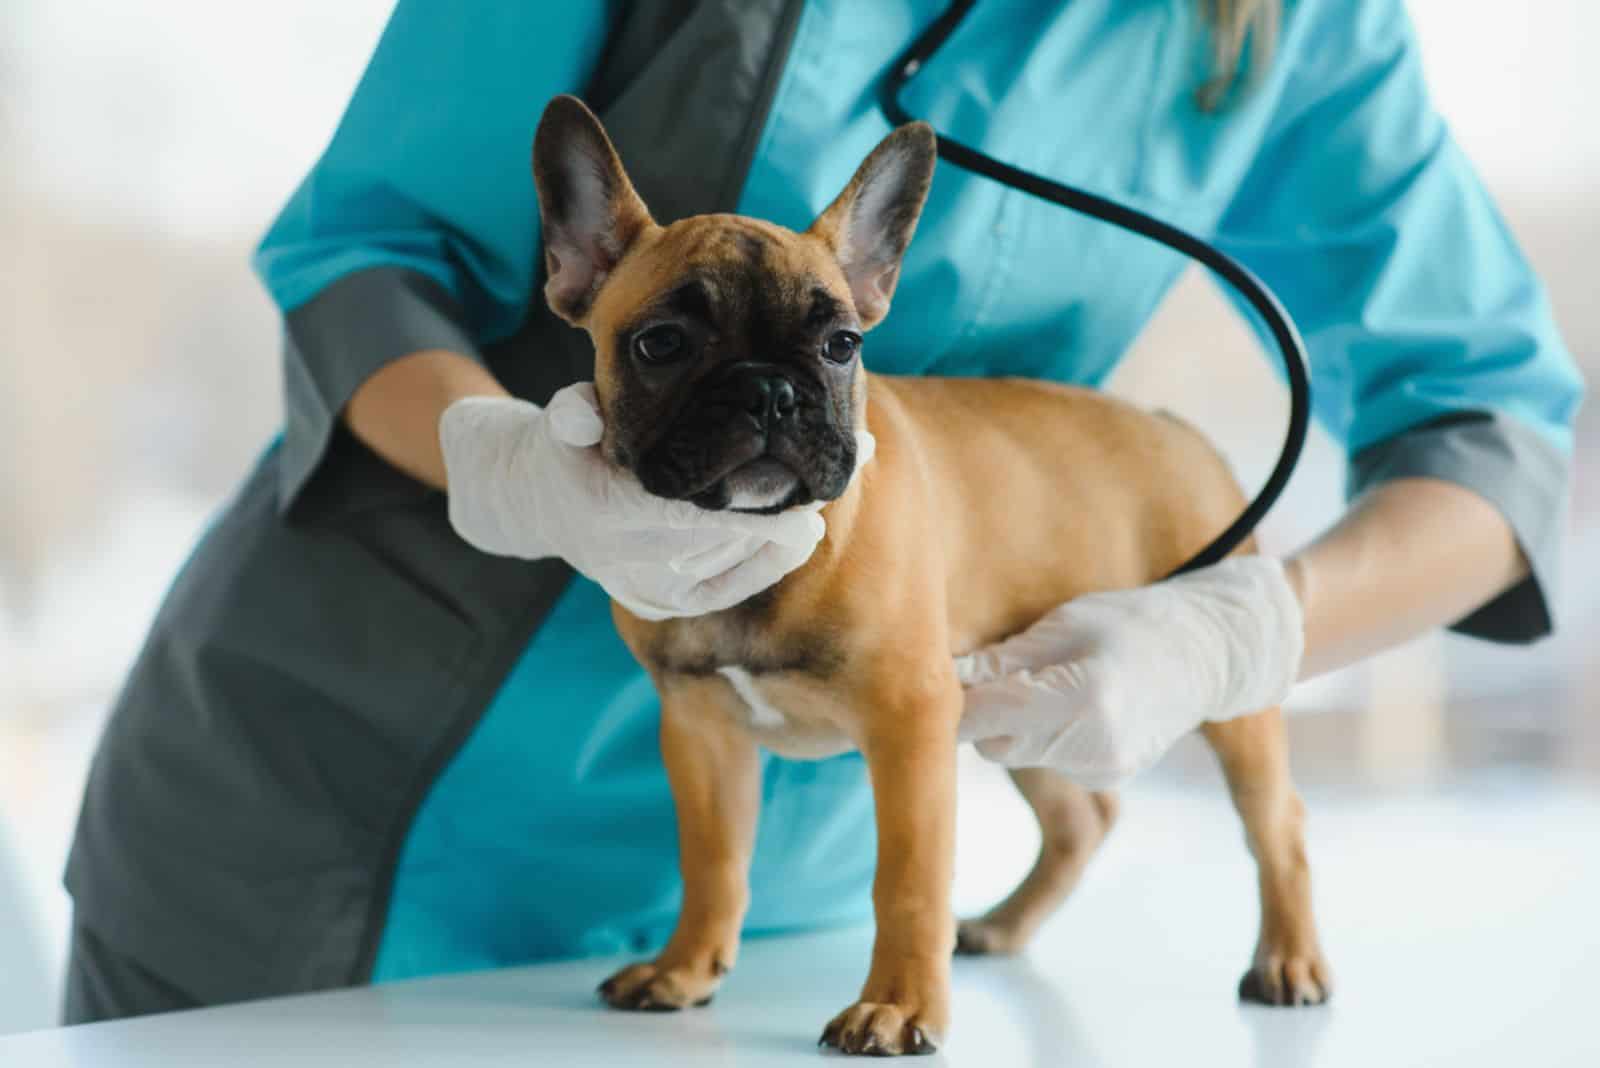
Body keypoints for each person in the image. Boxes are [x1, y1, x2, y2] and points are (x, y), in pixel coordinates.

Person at [62, 0, 1581, 1023]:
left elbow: (1497, 417)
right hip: (322, 817)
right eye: (674, 341)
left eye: (830, 342)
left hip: (802, 911)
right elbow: (363, 241)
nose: (780, 385)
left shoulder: (1297, 25)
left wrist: (1253, 628)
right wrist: (488, 453)